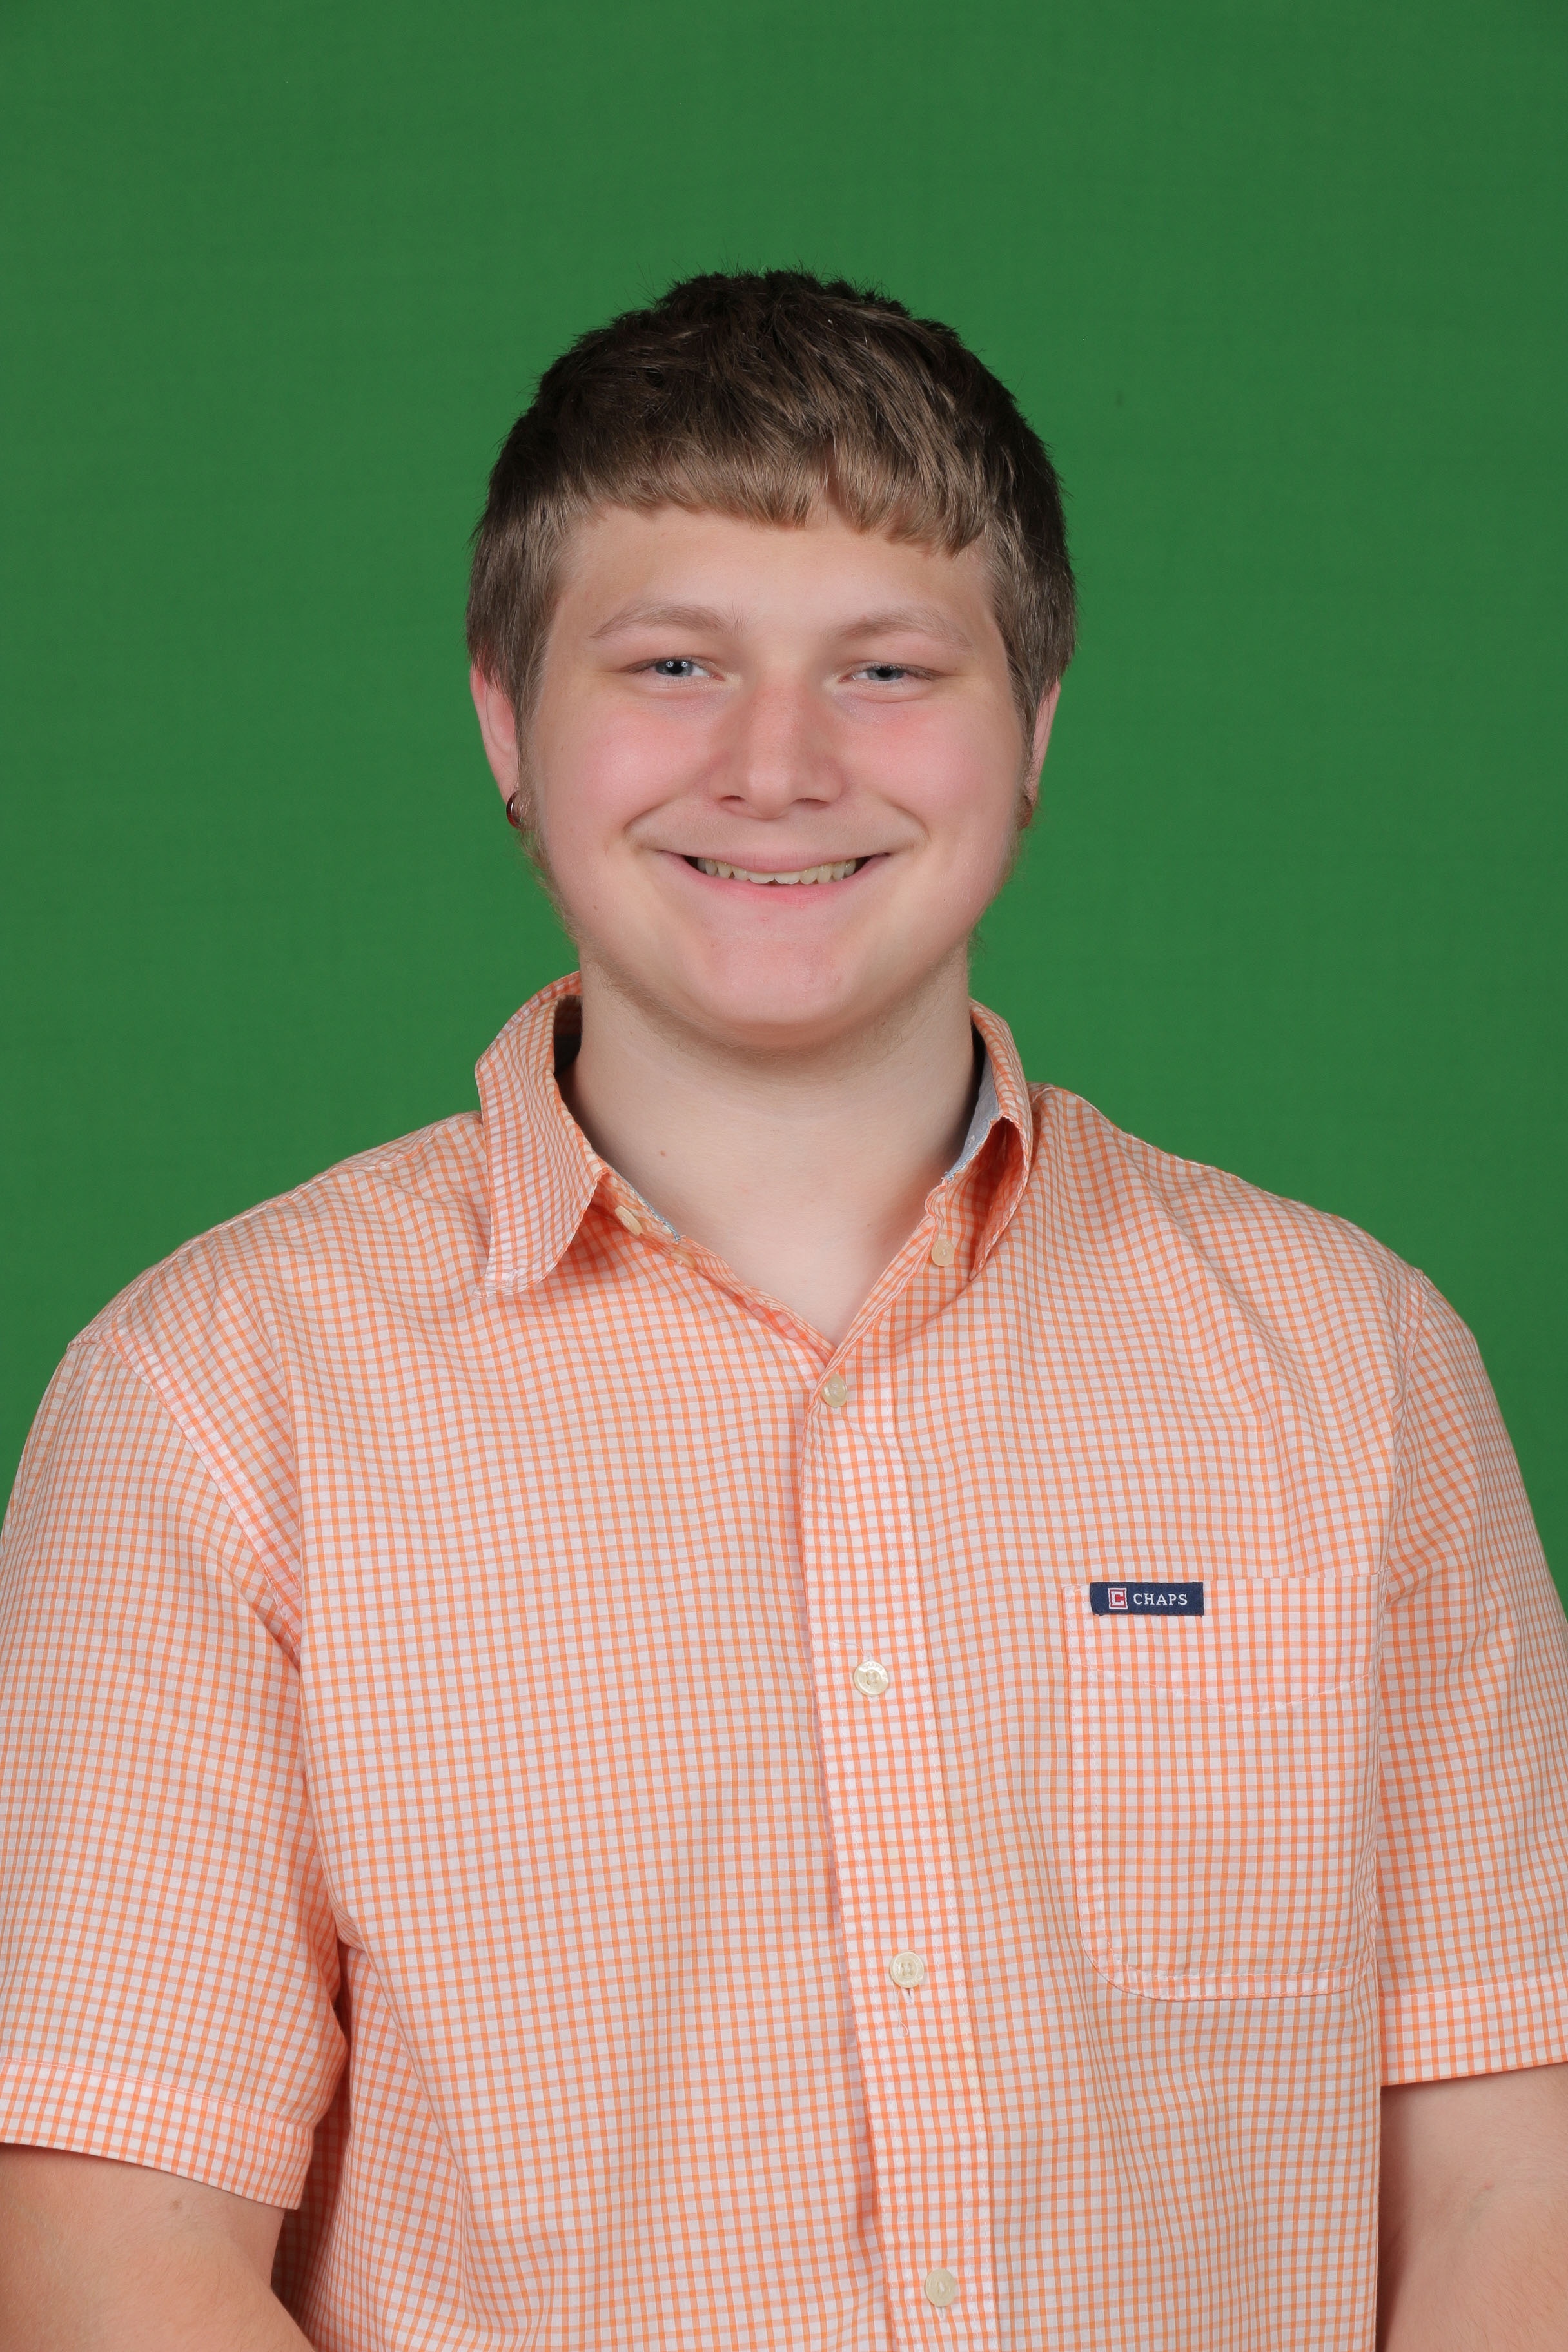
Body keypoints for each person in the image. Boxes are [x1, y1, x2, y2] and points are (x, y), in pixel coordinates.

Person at [1, 270, 1565, 2352]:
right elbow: (110, 2253)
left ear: (1034, 727)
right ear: (506, 720)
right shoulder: (214, 1403)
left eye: (886, 669)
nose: (777, 765)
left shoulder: (1357, 1369)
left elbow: (1507, 2196)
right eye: (674, 664)